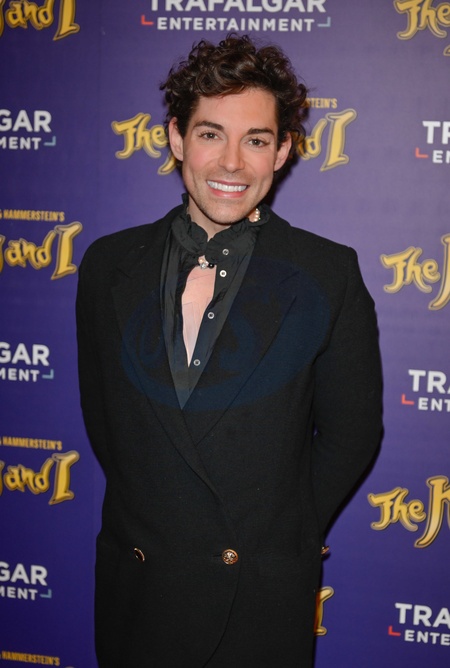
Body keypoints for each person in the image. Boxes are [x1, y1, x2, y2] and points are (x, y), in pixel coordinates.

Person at [76, 34, 382, 668]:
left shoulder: (327, 273)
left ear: (283, 151)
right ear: (176, 137)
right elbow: (108, 424)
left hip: (259, 597)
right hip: (140, 590)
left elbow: (352, 434)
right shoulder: (108, 265)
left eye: (257, 140)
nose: (233, 163)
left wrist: (278, 533)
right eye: (211, 134)